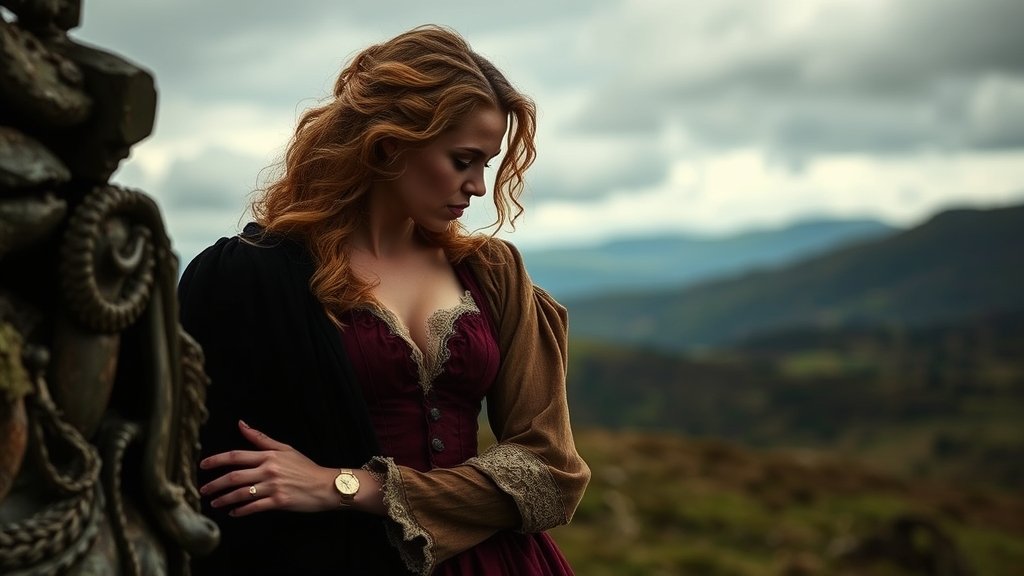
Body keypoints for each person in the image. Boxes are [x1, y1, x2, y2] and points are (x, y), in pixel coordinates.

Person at [177, 24, 591, 575]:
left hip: (499, 562)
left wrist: (346, 485)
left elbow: (550, 474)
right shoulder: (256, 275)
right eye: (463, 159)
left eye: (486, 165)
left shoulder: (492, 273)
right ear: (391, 142)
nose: (477, 187)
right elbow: (200, 457)